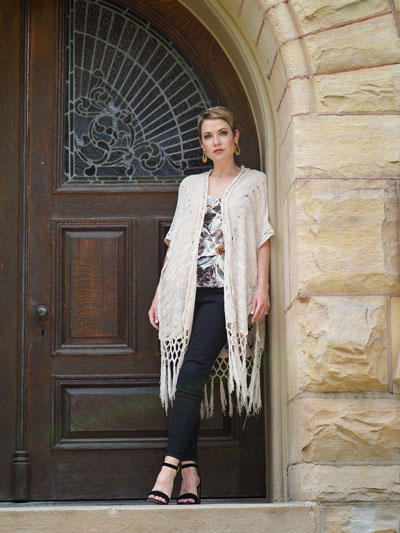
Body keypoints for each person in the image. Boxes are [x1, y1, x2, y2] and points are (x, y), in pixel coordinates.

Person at [146, 106, 275, 505]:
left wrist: (263, 288)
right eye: (208, 136)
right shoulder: (190, 185)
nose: (216, 141)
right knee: (190, 379)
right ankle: (190, 475)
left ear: (236, 137)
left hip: (226, 293)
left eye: (222, 133)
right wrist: (157, 294)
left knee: (191, 373)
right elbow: (176, 240)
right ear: (202, 145)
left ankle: (168, 469)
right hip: (184, 291)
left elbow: (263, 236)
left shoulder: (255, 183)